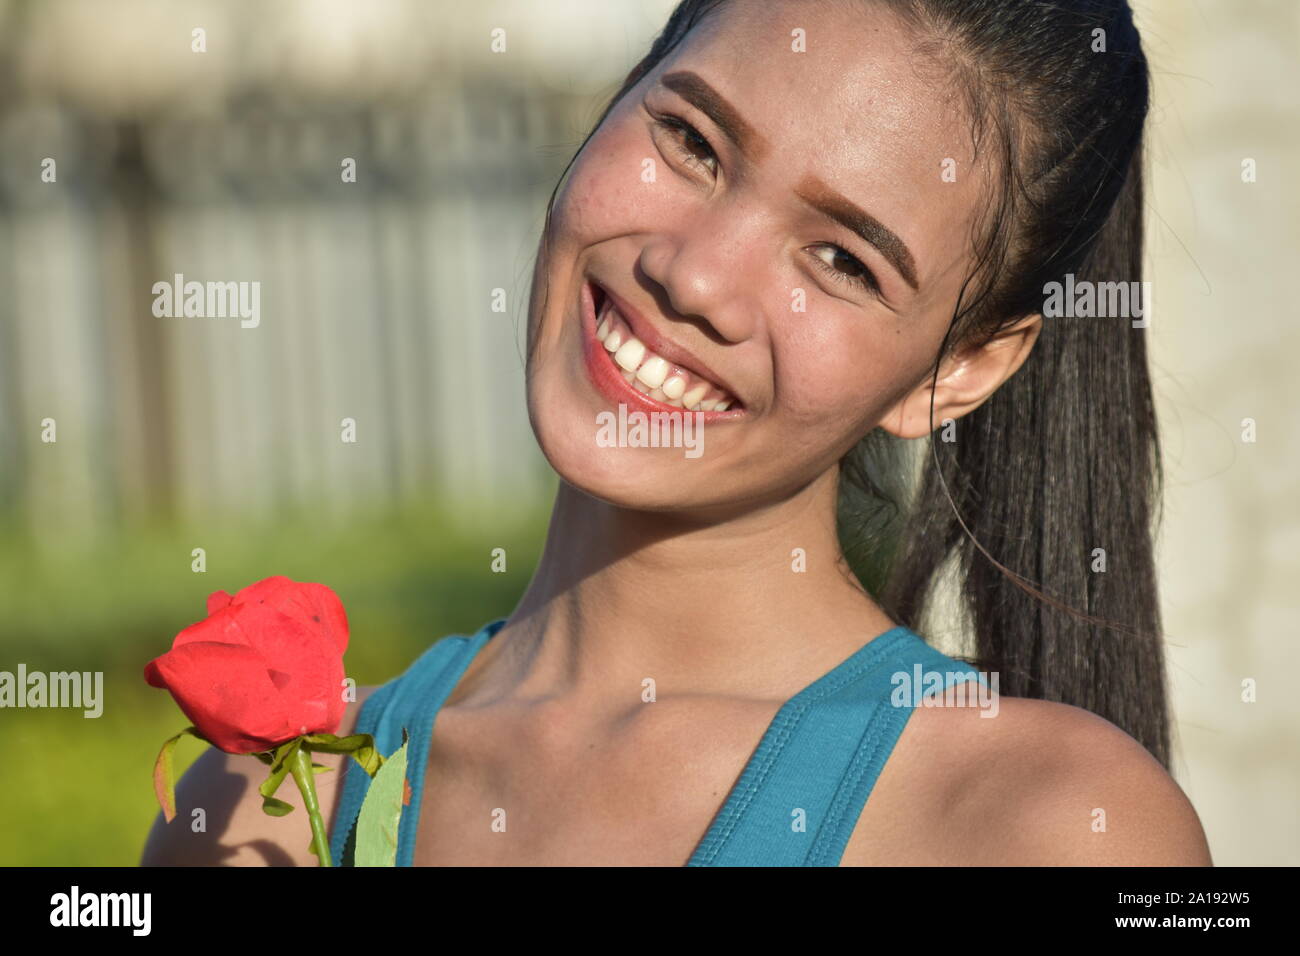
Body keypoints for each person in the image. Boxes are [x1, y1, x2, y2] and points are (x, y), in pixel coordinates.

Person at [142, 0, 1212, 866]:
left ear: (965, 366)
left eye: (842, 259)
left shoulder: (1039, 824)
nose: (694, 275)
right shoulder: (267, 800)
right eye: (692, 141)